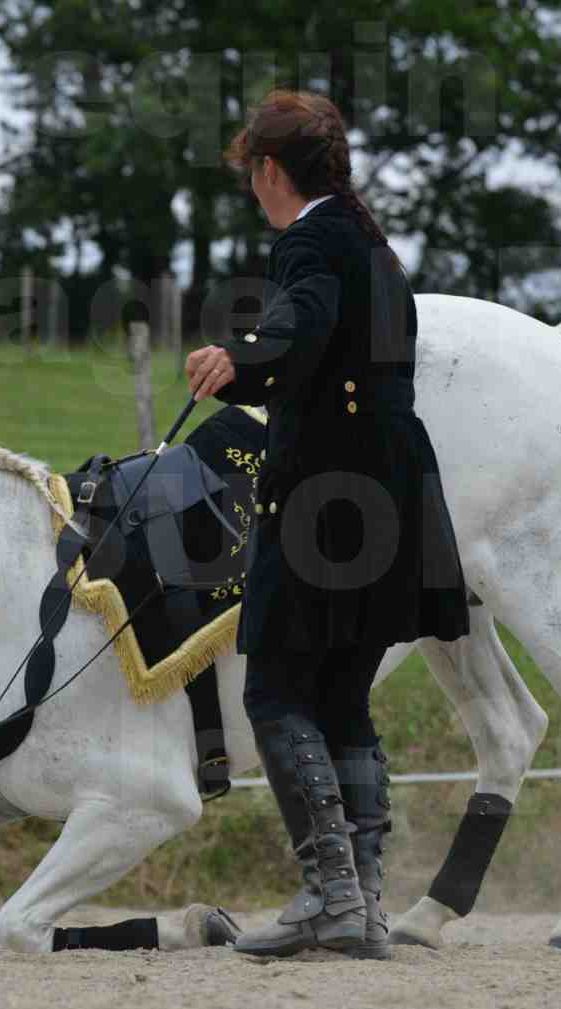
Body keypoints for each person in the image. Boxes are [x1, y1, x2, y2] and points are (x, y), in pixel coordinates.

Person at [184, 90, 469, 960]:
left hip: (324, 494)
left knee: (274, 683)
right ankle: (364, 901)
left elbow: (299, 325)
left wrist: (240, 361)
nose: (254, 193)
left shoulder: (309, 237)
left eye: (251, 179)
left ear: (269, 170)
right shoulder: (371, 240)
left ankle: (331, 894)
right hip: (390, 485)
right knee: (342, 691)